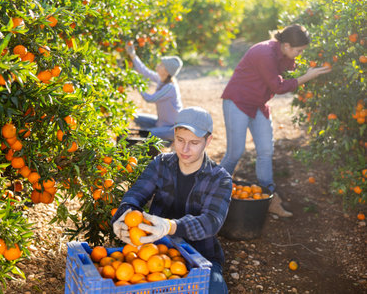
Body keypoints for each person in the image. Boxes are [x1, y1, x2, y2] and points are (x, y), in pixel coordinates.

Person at [112, 106, 232, 293]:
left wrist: (170, 226)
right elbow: (136, 194)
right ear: (174, 135)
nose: (185, 149)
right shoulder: (161, 164)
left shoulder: (220, 178)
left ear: (208, 141)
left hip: (201, 254)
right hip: (157, 252)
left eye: (194, 142)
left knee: (214, 290)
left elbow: (211, 222)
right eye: (180, 140)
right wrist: (123, 214)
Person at [219, 24, 332, 217]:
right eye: (298, 51)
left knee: (265, 150)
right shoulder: (265, 53)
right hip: (238, 102)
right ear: (286, 45)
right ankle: (212, 193)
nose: (299, 54)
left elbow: (290, 70)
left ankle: (269, 197)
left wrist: (313, 67)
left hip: (258, 104)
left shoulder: (284, 53)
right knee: (234, 153)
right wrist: (307, 77)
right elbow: (278, 86)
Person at [125, 42, 183, 141]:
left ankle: (168, 140)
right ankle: (160, 135)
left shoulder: (170, 87)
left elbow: (150, 99)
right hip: (160, 123)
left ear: (166, 71)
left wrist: (138, 85)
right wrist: (133, 55)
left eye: (161, 65)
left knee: (146, 133)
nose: (158, 65)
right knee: (135, 117)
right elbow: (145, 72)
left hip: (172, 129)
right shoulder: (162, 79)